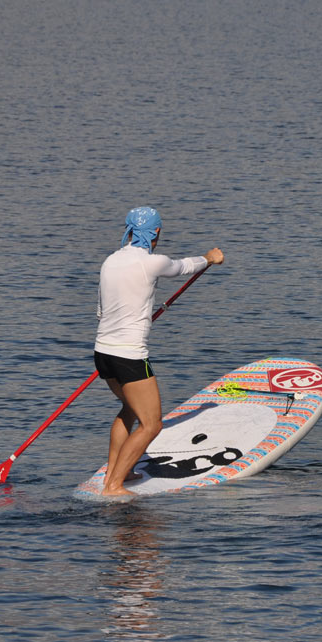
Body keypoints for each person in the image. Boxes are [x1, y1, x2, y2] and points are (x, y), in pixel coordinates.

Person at [94, 206, 224, 496]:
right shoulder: (151, 262)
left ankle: (120, 474)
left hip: (103, 352)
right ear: (155, 233)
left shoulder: (110, 261)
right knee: (151, 425)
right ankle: (113, 486)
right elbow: (183, 267)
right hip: (129, 356)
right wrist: (210, 258)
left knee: (129, 410)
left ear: (128, 232)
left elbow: (101, 312)